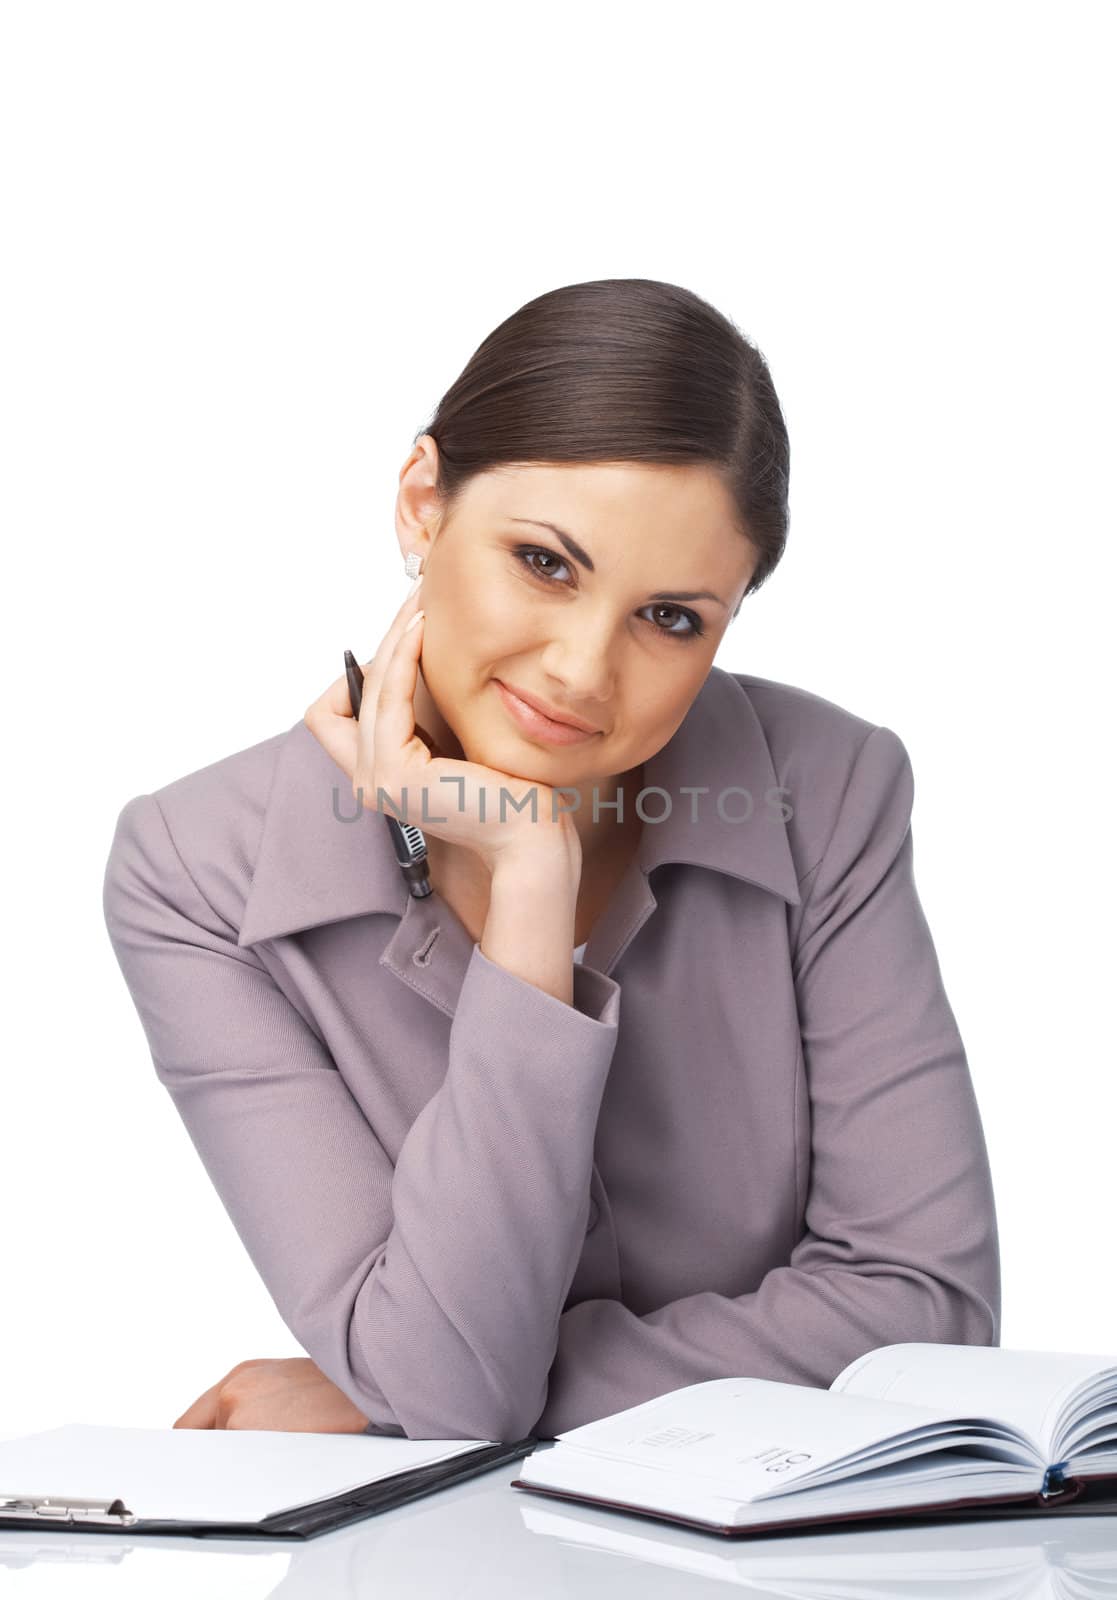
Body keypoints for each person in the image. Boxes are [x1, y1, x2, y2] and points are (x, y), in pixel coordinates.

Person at [102, 277, 1001, 1443]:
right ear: (423, 503)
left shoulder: (827, 788)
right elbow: (448, 1394)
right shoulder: (196, 874)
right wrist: (532, 884)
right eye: (545, 562)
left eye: (671, 617)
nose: (582, 670)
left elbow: (928, 1316)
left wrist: (418, 1388)